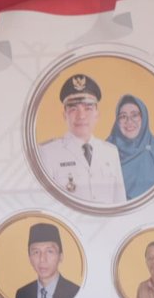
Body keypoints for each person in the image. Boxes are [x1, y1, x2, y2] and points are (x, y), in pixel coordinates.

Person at [34, 73, 127, 205]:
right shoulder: (47, 153)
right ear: (64, 115)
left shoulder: (110, 152)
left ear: (97, 114)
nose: (81, 116)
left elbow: (120, 203)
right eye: (73, 109)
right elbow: (44, 203)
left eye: (88, 108)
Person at [108, 94, 154, 201]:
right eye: (123, 116)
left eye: (134, 115)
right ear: (117, 121)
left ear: (144, 118)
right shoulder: (104, 151)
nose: (129, 121)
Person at [12, 223, 80, 298]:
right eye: (36, 252)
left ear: (60, 256)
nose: (42, 259)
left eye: (49, 251)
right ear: (30, 258)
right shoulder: (22, 295)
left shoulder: (75, 293)